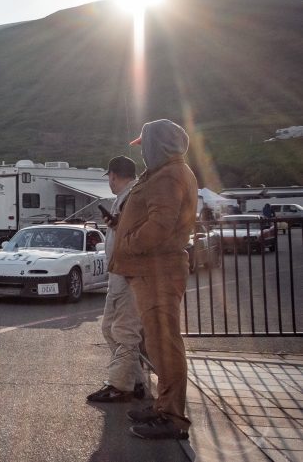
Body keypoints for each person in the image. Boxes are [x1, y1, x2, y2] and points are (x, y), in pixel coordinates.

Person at [109, 119, 198, 440]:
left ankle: (172, 417)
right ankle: (164, 406)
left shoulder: (169, 175)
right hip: (152, 272)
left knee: (165, 344)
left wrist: (129, 242)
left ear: (156, 146)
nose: (142, 154)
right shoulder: (165, 173)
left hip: (157, 272)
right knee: (159, 343)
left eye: (144, 147)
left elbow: (161, 225)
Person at [87, 155, 146, 403]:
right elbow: (128, 229)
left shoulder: (133, 197)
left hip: (128, 273)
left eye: (109, 177)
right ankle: (135, 381)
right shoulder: (126, 198)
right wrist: (114, 226)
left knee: (123, 330)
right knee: (111, 328)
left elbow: (137, 231)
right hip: (120, 272)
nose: (109, 181)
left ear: (113, 175)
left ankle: (121, 385)